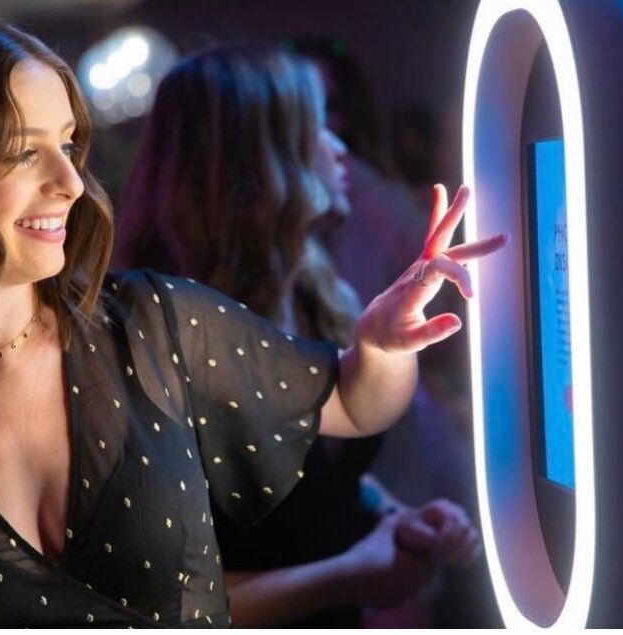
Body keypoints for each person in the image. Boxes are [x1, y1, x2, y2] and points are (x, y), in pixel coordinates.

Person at [0, 15, 506, 628]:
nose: (71, 181)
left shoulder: (152, 325)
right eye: (24, 152)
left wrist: (380, 345)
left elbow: (352, 402)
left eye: (68, 144)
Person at [115, 46, 482, 627]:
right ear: (256, 157)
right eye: (317, 126)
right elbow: (158, 603)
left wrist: (395, 518)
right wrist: (350, 574)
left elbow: (318, 474)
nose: (340, 147)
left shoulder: (315, 288)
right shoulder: (157, 334)